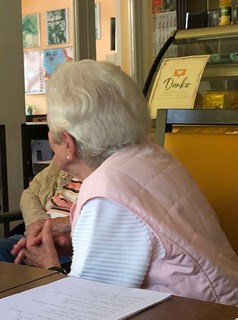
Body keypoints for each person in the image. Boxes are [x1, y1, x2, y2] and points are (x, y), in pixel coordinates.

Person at [13, 59, 238, 306]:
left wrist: (48, 266)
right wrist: (76, 236)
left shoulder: (105, 190)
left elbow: (87, 309)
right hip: (220, 307)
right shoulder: (151, 155)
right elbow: (151, 238)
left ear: (68, 143)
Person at [0, 159, 80, 265]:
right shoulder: (61, 162)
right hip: (39, 234)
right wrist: (38, 223)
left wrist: (58, 225)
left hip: (74, 246)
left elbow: (94, 217)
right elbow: (30, 193)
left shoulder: (94, 177)